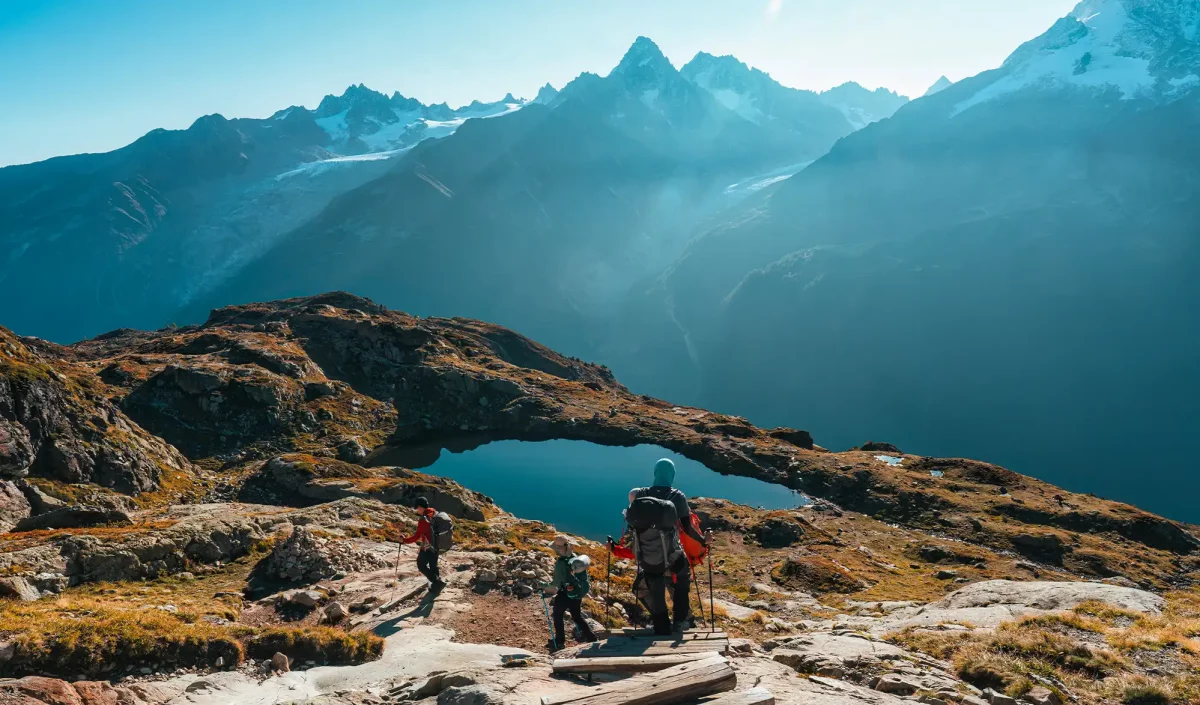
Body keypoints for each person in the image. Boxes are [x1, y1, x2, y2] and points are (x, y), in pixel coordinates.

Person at [609, 458, 708, 635]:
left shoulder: (639, 494)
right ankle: (679, 622)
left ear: (655, 473)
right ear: (672, 475)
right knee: (682, 583)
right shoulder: (677, 496)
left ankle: (661, 626)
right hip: (673, 555)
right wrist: (703, 541)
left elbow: (633, 529)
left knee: (654, 589)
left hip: (648, 556)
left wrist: (618, 548)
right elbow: (688, 528)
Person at [542, 535, 597, 651]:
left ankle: (560, 641)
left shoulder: (561, 563)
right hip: (576, 592)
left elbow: (556, 582)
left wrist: (544, 586)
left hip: (564, 593)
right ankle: (591, 638)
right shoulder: (575, 558)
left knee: (557, 615)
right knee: (577, 616)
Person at [401, 497, 444, 588]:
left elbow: (416, 537)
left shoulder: (424, 519)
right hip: (438, 544)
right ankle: (436, 584)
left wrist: (404, 540)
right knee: (433, 566)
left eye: (417, 508)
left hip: (428, 546)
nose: (417, 510)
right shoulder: (434, 513)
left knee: (421, 565)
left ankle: (436, 582)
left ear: (420, 507)